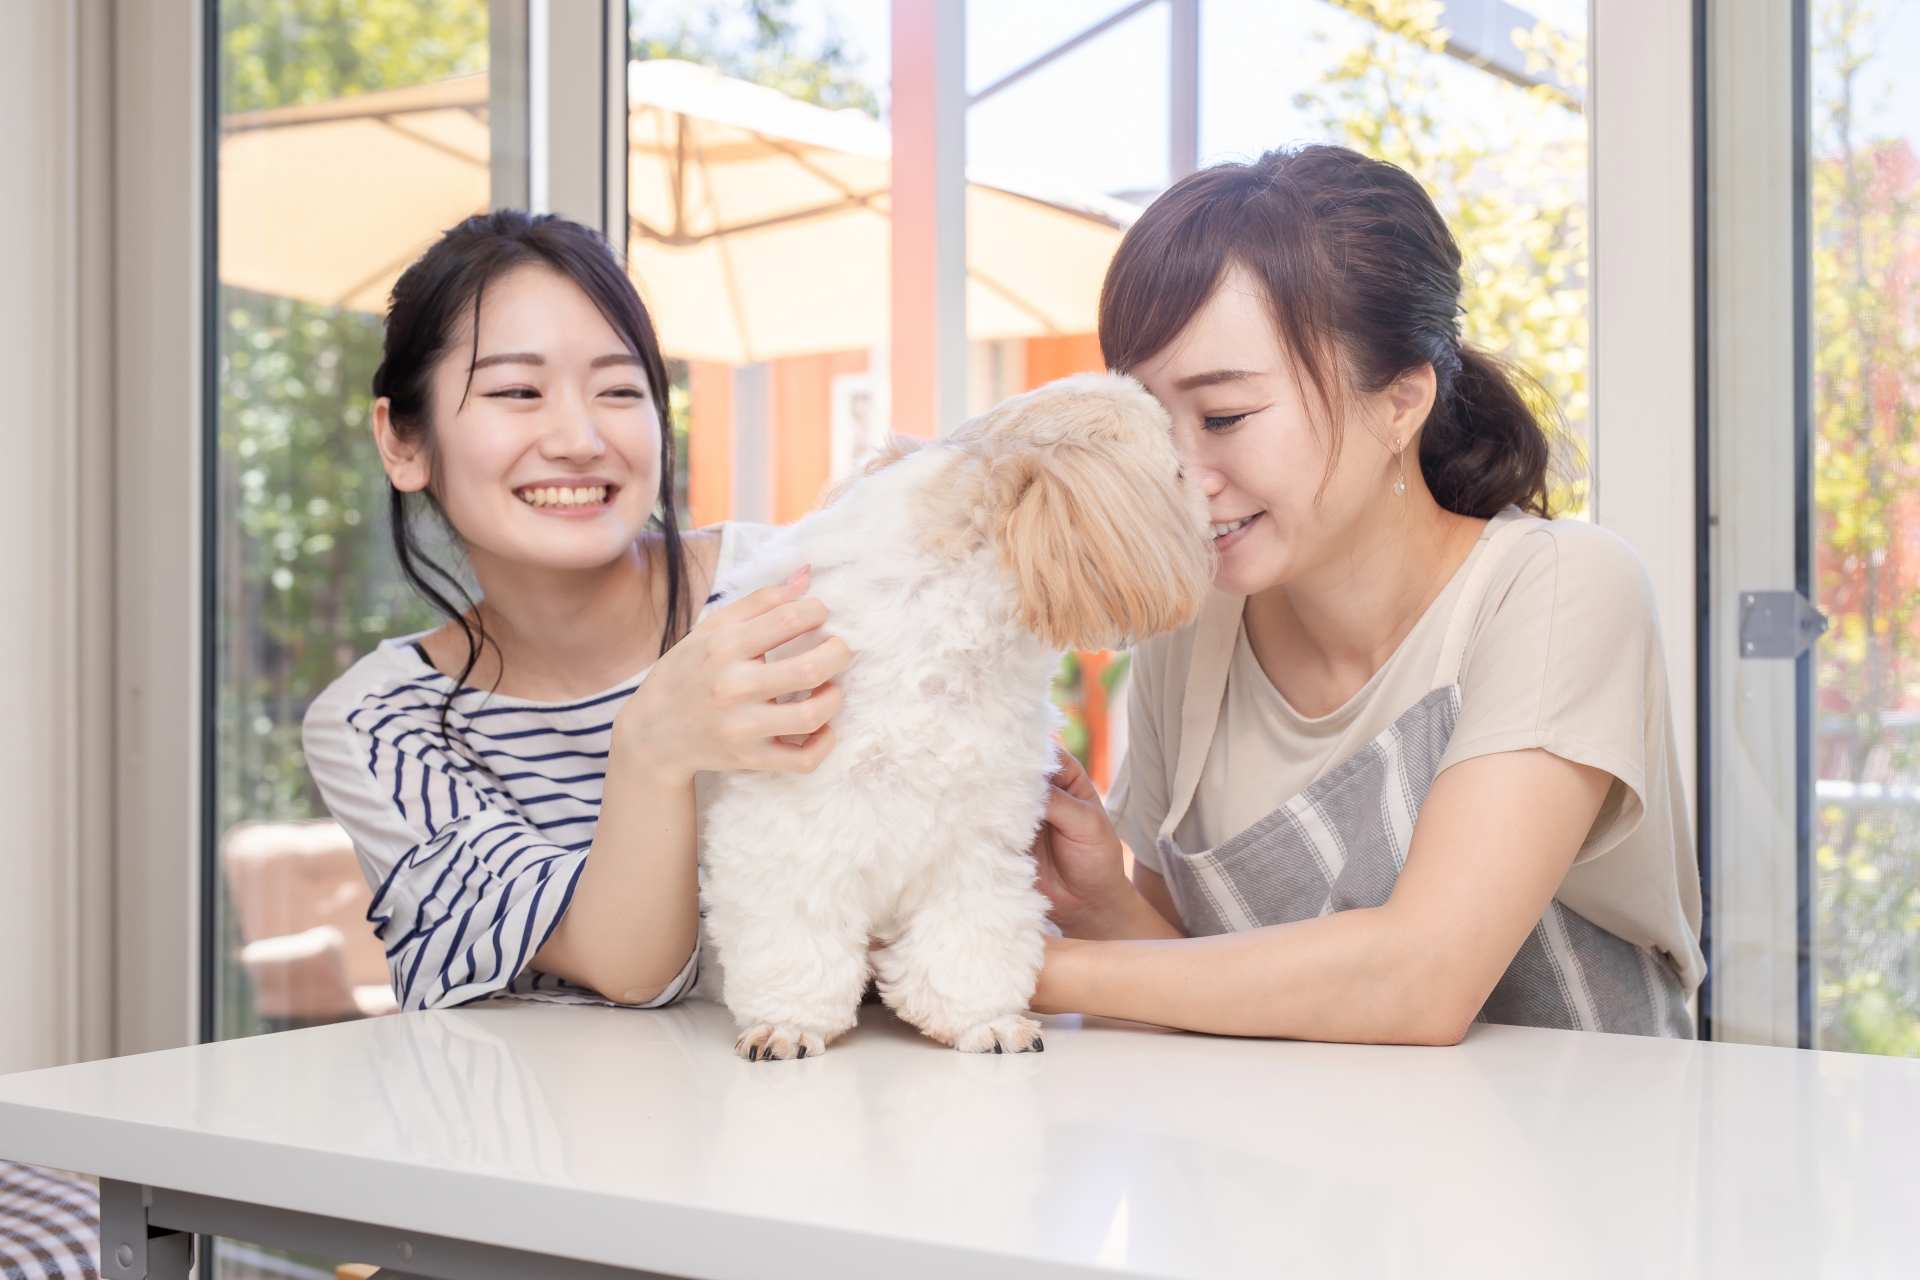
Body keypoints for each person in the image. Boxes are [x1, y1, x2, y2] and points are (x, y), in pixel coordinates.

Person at [1028, 145, 1704, 1044]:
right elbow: (1184, 990)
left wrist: (1004, 963)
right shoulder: (1191, 637)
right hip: (1287, 1173)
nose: (1179, 476)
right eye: (1148, 421)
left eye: (1224, 416)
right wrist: (1105, 904)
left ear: (1400, 402)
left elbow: (1418, 981)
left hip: (1574, 1171)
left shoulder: (1555, 590)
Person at [303, 211, 847, 1011]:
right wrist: (654, 747)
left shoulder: (795, 596)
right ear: (404, 444)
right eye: (517, 391)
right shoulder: (382, 724)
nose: (580, 437)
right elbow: (628, 965)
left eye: (620, 389)